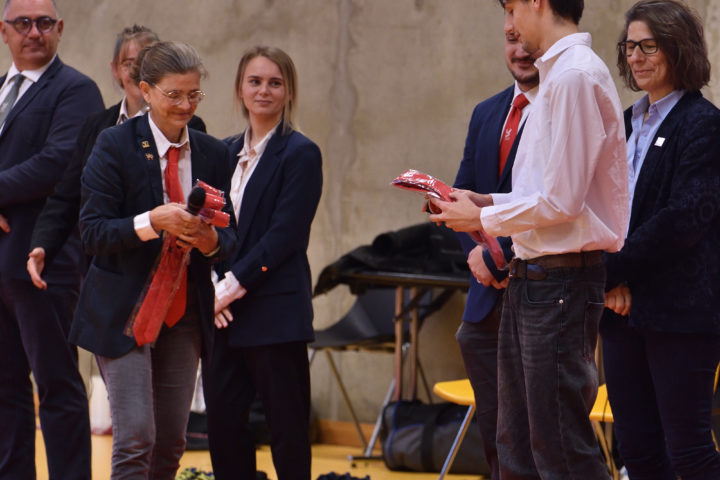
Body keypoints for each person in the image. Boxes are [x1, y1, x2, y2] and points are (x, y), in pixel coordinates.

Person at [429, 0, 629, 478]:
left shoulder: (574, 75)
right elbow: (541, 190)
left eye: (512, 9)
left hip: (560, 282)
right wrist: (483, 201)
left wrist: (486, 216)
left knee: (560, 447)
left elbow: (563, 201)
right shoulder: (557, 74)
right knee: (515, 445)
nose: (511, 26)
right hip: (534, 277)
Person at [71, 41, 237, 479]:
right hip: (124, 308)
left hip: (184, 313)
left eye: (194, 94)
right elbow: (93, 232)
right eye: (173, 94)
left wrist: (208, 240)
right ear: (145, 90)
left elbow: (230, 238)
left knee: (169, 445)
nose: (185, 105)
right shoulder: (114, 143)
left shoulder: (214, 152)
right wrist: (152, 221)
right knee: (136, 437)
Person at [601, 1, 720, 478]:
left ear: (678, 48)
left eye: (649, 46)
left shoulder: (703, 123)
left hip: (679, 313)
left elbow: (684, 219)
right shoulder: (627, 121)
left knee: (689, 452)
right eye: (630, 46)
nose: (636, 57)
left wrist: (612, 270)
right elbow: (606, 209)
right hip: (619, 310)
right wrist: (612, 280)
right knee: (637, 453)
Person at [204, 45, 323, 480]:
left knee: (287, 432)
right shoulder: (221, 152)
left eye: (275, 82)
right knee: (223, 428)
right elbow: (208, 230)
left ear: (289, 91)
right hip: (224, 317)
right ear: (240, 88)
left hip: (274, 314)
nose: (264, 91)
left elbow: (285, 236)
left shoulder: (300, 153)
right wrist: (211, 284)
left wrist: (225, 289)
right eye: (255, 81)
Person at [0, 0, 104, 477]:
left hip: (45, 263)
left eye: (44, 23)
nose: (34, 32)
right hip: (1, 265)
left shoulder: (76, 90)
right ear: (4, 31)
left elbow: (59, 160)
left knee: (57, 386)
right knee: (5, 389)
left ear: (60, 28)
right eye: (22, 23)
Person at [27, 25, 207, 289]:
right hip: (108, 271)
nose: (137, 71)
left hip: (168, 270)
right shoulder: (98, 126)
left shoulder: (190, 126)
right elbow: (68, 196)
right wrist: (43, 244)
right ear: (115, 70)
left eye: (146, 62)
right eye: (129, 63)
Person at [451, 19, 538, 479]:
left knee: (538, 437)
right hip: (485, 296)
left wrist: (499, 253)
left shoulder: (561, 109)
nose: (520, 50)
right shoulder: (486, 112)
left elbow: (555, 200)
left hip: (541, 287)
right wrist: (477, 254)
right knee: (497, 439)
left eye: (527, 40)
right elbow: (463, 193)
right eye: (510, 39)